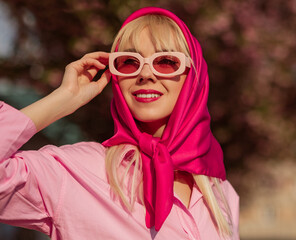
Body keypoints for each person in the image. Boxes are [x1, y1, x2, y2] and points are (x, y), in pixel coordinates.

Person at [0, 7, 239, 240]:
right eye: (129, 62)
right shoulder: (73, 173)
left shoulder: (221, 193)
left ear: (193, 79)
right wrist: (62, 99)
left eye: (166, 61)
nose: (145, 74)